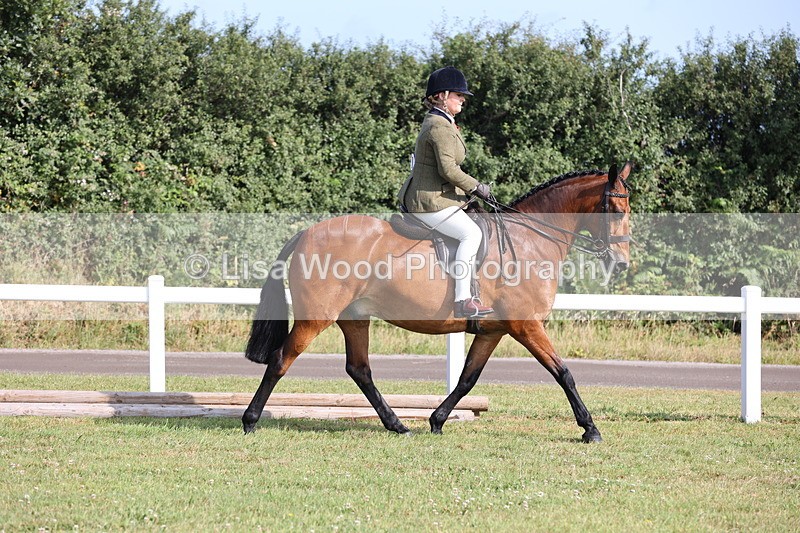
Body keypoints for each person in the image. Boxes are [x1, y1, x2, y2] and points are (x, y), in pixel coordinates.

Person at [400, 66, 494, 318]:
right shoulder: (439, 127)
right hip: (429, 201)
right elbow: (449, 170)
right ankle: (463, 300)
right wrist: (476, 187)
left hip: (440, 196)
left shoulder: (443, 122)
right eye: (458, 95)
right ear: (442, 95)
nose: (463, 99)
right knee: (471, 234)